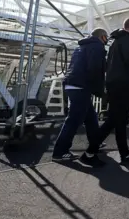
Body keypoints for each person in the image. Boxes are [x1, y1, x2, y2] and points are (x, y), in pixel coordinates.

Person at [83, 17, 129, 165]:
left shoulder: (116, 41)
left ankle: (125, 154)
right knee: (114, 119)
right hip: (123, 84)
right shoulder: (127, 40)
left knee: (120, 121)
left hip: (116, 83)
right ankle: (89, 153)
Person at [52, 28, 108, 166]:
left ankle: (96, 143)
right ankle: (60, 152)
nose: (106, 41)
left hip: (73, 84)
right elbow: (95, 69)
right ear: (102, 37)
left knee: (91, 117)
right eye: (106, 38)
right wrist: (100, 90)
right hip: (81, 86)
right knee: (73, 120)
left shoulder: (82, 47)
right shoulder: (97, 46)